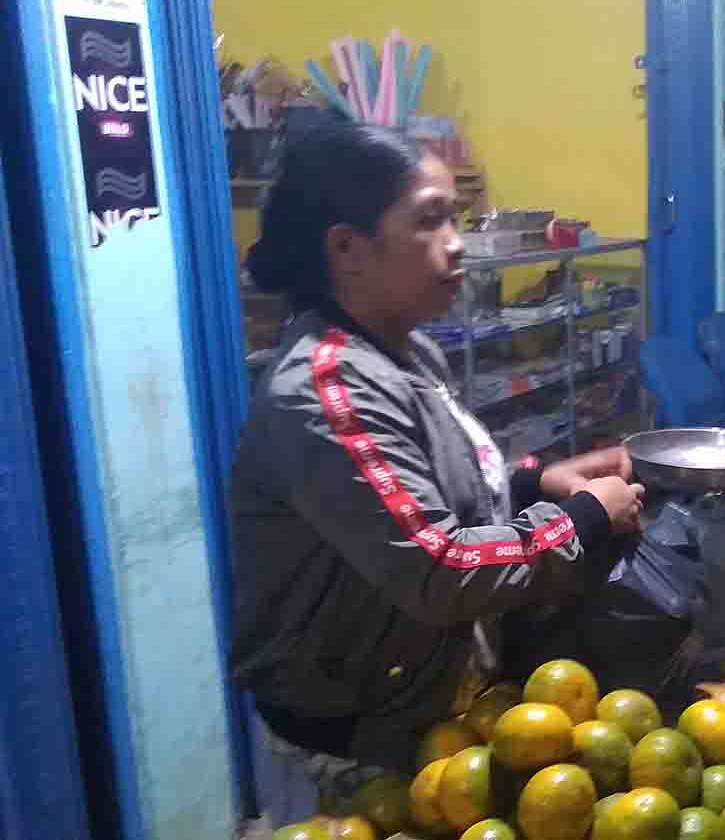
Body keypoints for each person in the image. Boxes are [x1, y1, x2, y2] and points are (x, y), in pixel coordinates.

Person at [228, 122, 645, 824]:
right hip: (356, 746)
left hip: (430, 711)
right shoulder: (329, 391)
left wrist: (536, 480)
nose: (456, 242)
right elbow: (438, 563)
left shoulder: (407, 352)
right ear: (347, 248)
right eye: (429, 220)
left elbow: (428, 491)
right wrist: (581, 519)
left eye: (455, 216)